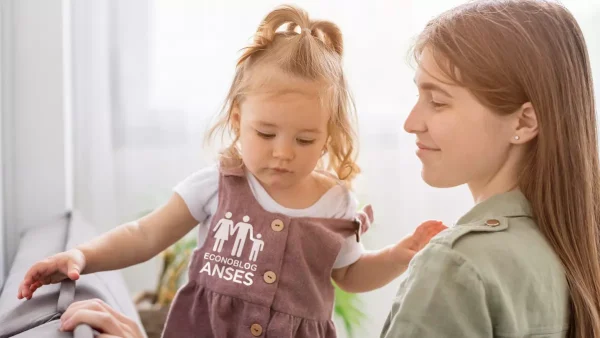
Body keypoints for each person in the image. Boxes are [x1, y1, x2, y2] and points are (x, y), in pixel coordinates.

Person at [18, 5, 446, 338]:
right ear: (239, 120)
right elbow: (145, 235)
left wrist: (398, 256)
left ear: (328, 136)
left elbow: (349, 274)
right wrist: (83, 257)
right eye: (266, 133)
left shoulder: (336, 201)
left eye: (304, 140)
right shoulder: (218, 184)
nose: (283, 153)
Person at [381, 0, 600, 337]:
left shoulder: (457, 266)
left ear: (524, 121)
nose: (411, 123)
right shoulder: (578, 251)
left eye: (437, 101)